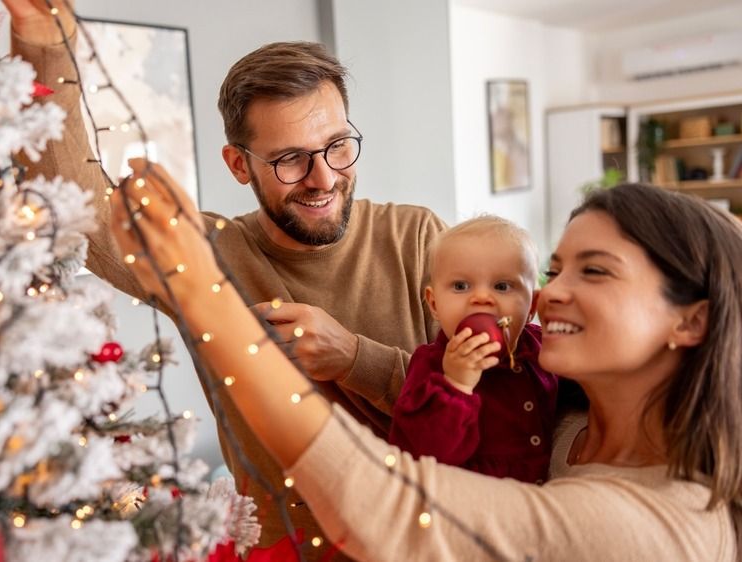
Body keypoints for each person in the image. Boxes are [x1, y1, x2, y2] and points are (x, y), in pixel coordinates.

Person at [5, 1, 444, 553]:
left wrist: (356, 358)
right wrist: (45, 44)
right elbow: (79, 207)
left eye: (337, 145)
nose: (323, 177)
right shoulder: (203, 253)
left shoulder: (420, 237)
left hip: (421, 543)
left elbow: (491, 403)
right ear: (239, 166)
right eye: (290, 159)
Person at [111, 177, 742, 561]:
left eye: (595, 270)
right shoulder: (576, 418)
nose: (548, 295)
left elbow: (383, 505)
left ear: (692, 322)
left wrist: (203, 293)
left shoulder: (654, 523)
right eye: (555, 271)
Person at [388, 216, 557, 484]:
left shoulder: (544, 349)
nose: (481, 298)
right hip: (473, 508)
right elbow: (422, 455)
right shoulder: (430, 366)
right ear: (434, 304)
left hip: (543, 502)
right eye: (460, 286)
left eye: (502, 286)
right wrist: (456, 384)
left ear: (532, 306)